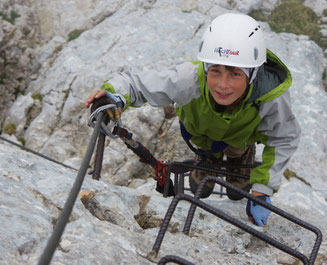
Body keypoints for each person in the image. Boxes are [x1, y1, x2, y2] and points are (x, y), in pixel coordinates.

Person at [85, 13, 301, 227]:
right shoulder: (189, 79)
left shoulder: (271, 98)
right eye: (215, 71)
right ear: (206, 67)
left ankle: (240, 156)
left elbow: (283, 137)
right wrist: (114, 96)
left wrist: (263, 188)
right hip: (201, 136)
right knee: (202, 187)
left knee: (237, 194)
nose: (222, 85)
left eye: (235, 74)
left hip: (240, 137)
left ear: (253, 74)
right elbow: (137, 84)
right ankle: (208, 158)